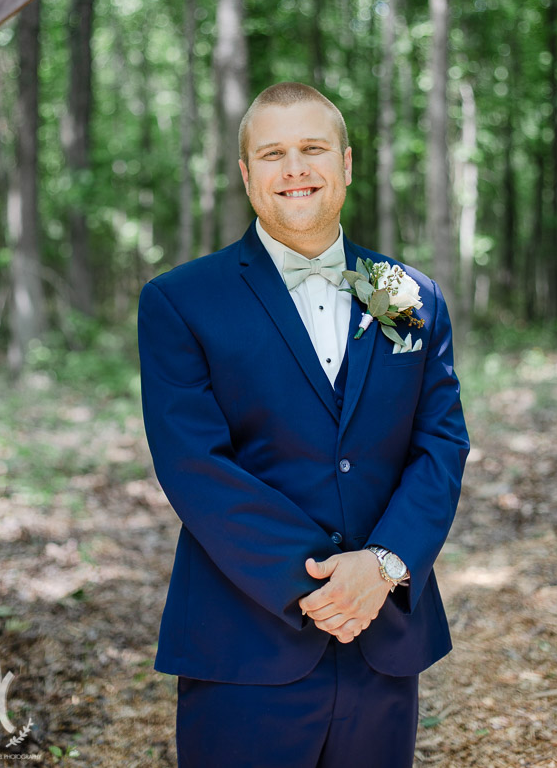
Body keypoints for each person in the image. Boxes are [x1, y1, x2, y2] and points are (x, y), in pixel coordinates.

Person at [137, 82, 469, 768]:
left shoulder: (401, 292)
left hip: (383, 640)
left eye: (312, 149)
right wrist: (324, 583)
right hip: (245, 642)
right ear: (246, 173)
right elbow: (196, 465)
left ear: (345, 164)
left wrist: (381, 567)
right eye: (274, 153)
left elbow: (440, 441)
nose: (295, 169)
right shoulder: (181, 299)